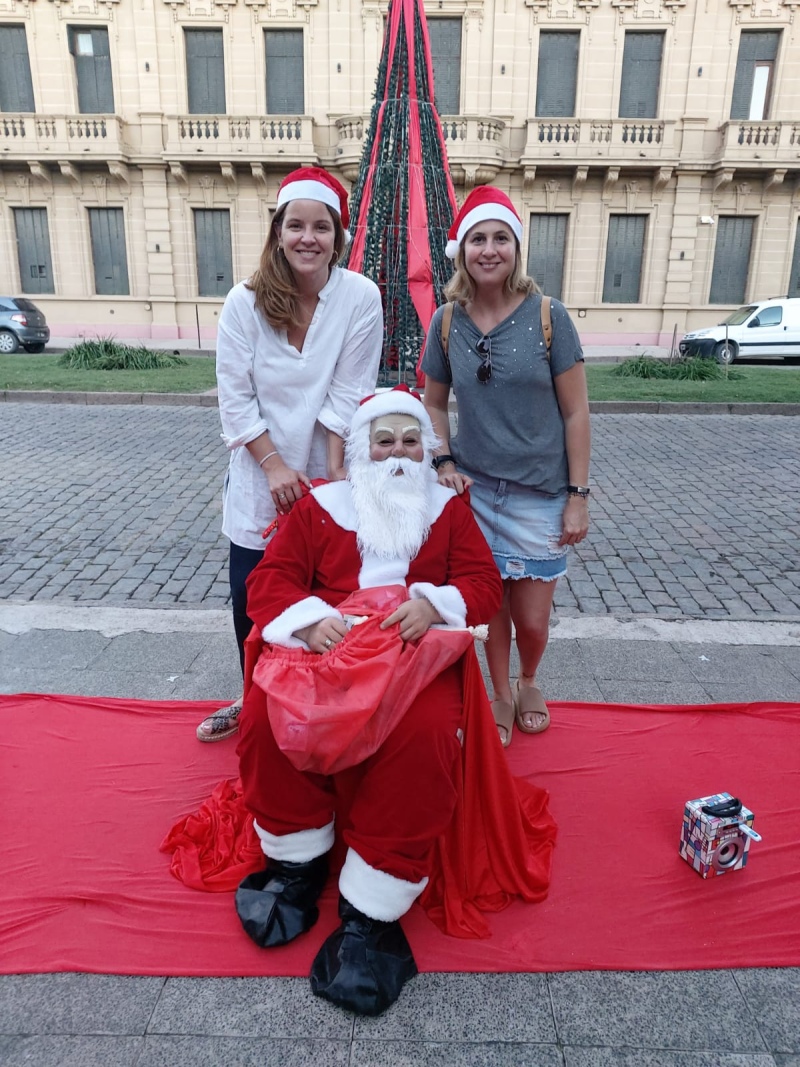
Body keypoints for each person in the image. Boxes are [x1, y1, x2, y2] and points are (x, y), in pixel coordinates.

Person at [233, 387, 507, 1015]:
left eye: (410, 441)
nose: (398, 454)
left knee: (427, 733)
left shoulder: (448, 511)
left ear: (426, 448)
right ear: (362, 449)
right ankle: (296, 866)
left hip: (412, 652)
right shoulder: (321, 507)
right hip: (327, 645)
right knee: (268, 716)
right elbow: (271, 579)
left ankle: (371, 910)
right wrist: (305, 623)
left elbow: (482, 583)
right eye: (383, 441)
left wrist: (432, 603)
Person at [196, 166, 383, 742]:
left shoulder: (359, 297)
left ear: (338, 236)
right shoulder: (243, 303)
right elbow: (235, 397)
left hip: (328, 473)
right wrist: (275, 467)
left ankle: (318, 704)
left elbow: (349, 391)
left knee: (325, 596)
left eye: (321, 227)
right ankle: (252, 700)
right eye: (296, 225)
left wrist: (330, 484)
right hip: (258, 477)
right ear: (278, 231)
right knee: (253, 597)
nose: (309, 238)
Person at [421, 186, 591, 748]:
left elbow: (576, 411)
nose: (488, 250)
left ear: (516, 249)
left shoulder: (548, 315)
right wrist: (442, 460)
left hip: (540, 495)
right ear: (461, 251)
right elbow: (432, 402)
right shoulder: (447, 321)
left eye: (500, 238)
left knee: (532, 621)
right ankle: (497, 691)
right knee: (488, 607)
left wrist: (578, 495)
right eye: (477, 239)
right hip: (474, 492)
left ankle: (528, 679)